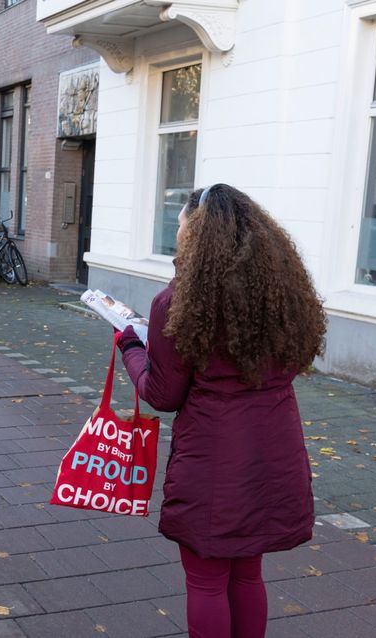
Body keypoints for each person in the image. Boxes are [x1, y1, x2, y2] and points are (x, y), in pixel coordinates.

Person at [118, 183, 325, 638]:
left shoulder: (180, 303)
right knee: (248, 573)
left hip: (213, 463)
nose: (176, 235)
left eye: (180, 227)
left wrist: (130, 346)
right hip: (273, 455)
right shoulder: (282, 297)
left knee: (206, 581)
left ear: (197, 234)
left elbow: (163, 393)